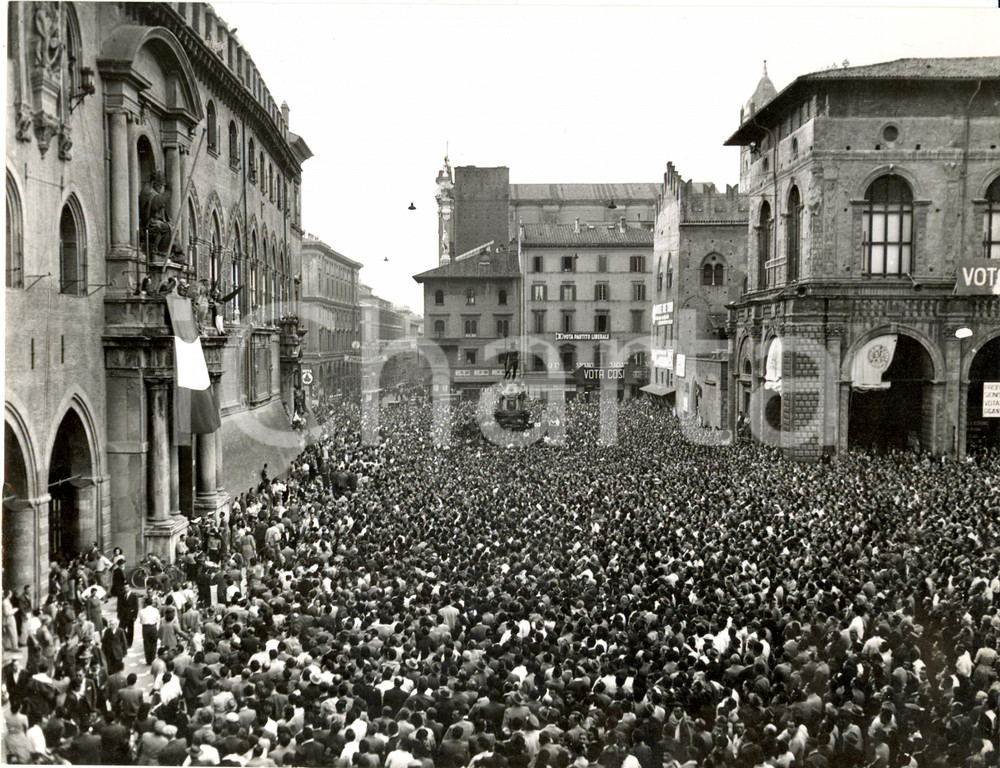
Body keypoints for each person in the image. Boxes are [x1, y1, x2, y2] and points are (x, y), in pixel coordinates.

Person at [139, 170, 186, 261]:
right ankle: (163, 253)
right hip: (150, 223)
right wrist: (168, 191)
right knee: (168, 228)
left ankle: (176, 253)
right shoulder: (147, 191)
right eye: (159, 186)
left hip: (157, 221)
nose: (160, 189)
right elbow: (157, 203)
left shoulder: (154, 192)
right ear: (154, 183)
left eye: (161, 187)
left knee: (172, 227)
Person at [117, 582, 140, 648]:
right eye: (125, 588)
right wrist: (119, 614)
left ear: (129, 588)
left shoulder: (134, 596)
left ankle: (129, 643)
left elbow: (136, 606)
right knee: (121, 628)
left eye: (127, 587)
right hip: (123, 615)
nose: (126, 589)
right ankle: (124, 640)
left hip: (130, 615)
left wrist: (135, 616)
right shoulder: (122, 595)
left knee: (130, 630)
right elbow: (119, 605)